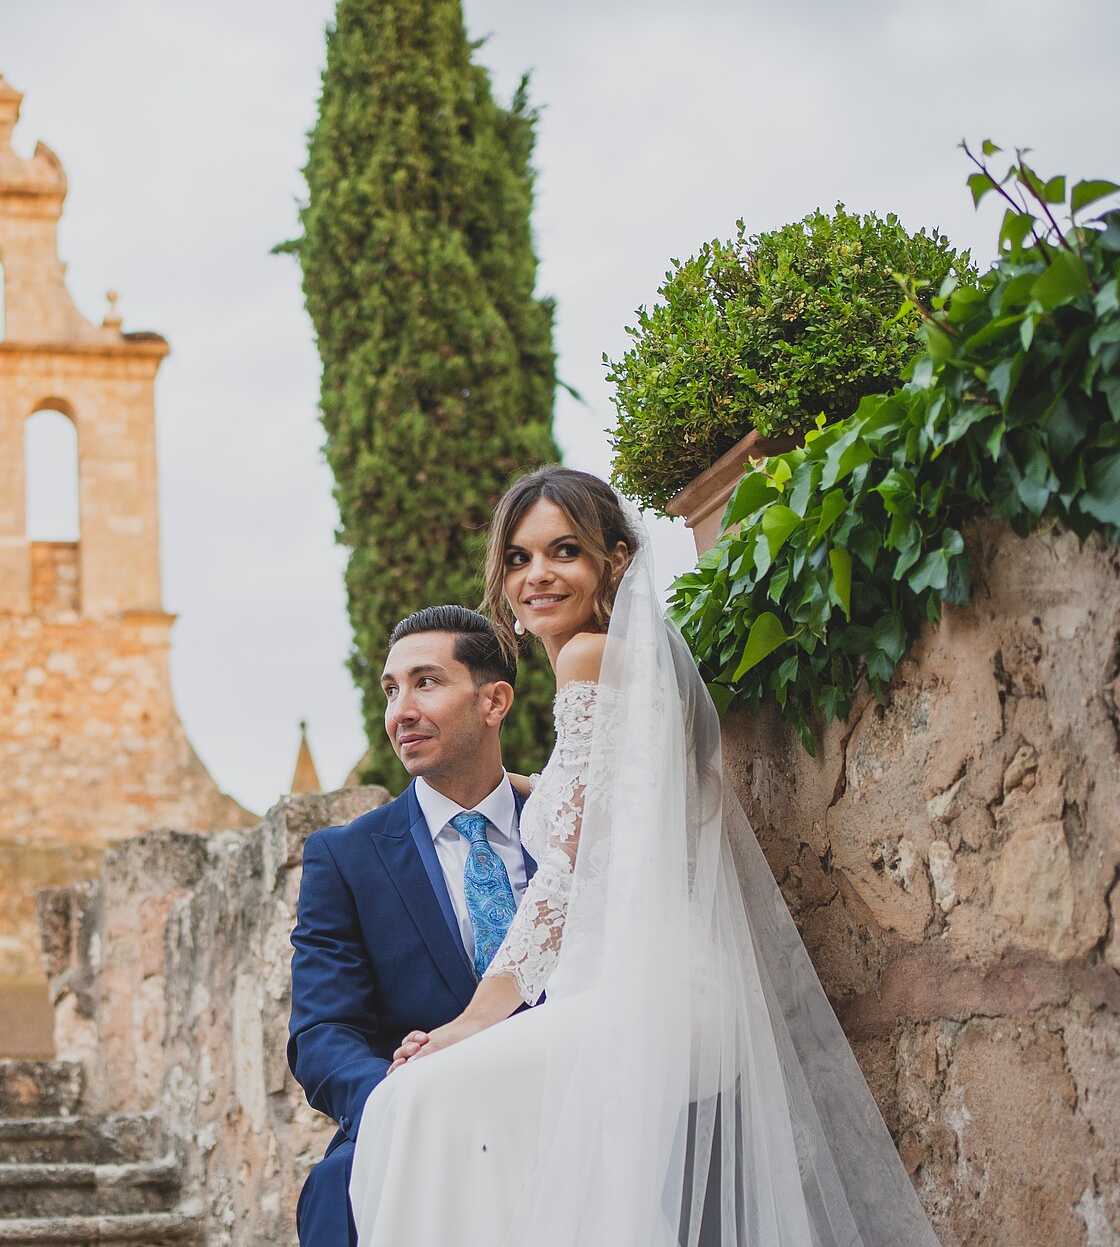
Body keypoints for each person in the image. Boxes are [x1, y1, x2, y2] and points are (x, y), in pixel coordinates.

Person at [346, 466, 938, 1247]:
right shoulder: (628, 664)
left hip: (656, 994)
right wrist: (525, 788)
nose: (537, 574)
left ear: (615, 561)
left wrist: (471, 1021)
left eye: (564, 551)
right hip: (642, 988)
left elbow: (563, 875)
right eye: (519, 558)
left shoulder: (587, 659)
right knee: (454, 1127)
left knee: (418, 1098)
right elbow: (608, 803)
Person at [287, 603, 538, 1247]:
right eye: (391, 690)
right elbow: (322, 1033)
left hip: (567, 1098)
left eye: (426, 683)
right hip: (417, 1120)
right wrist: (406, 1100)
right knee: (337, 1188)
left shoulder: (565, 829)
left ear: (494, 701)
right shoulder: (344, 857)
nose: (401, 710)